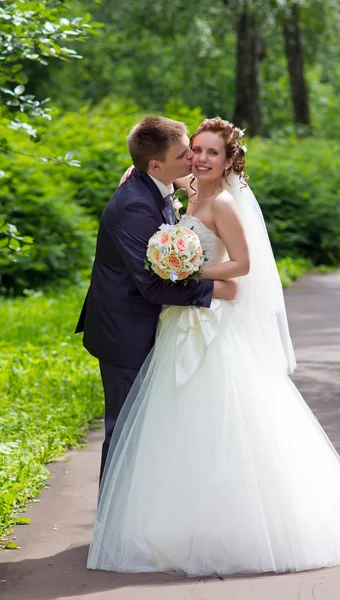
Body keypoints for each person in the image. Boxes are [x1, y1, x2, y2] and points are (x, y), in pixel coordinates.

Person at [87, 117, 340, 576]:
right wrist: (138, 175)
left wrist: (191, 273)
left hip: (203, 322)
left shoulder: (218, 201)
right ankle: (127, 523)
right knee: (151, 427)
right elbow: (164, 179)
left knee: (213, 421)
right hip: (163, 324)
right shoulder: (176, 190)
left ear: (228, 160)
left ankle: (214, 523)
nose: (197, 159)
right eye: (193, 150)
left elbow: (241, 265)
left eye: (209, 152)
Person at [75, 116, 236, 480]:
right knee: (125, 430)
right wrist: (215, 290)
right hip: (124, 332)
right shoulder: (136, 205)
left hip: (151, 325)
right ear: (156, 164)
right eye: (186, 154)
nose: (194, 160)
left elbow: (185, 179)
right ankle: (110, 529)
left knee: (149, 429)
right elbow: (152, 285)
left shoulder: (158, 184)